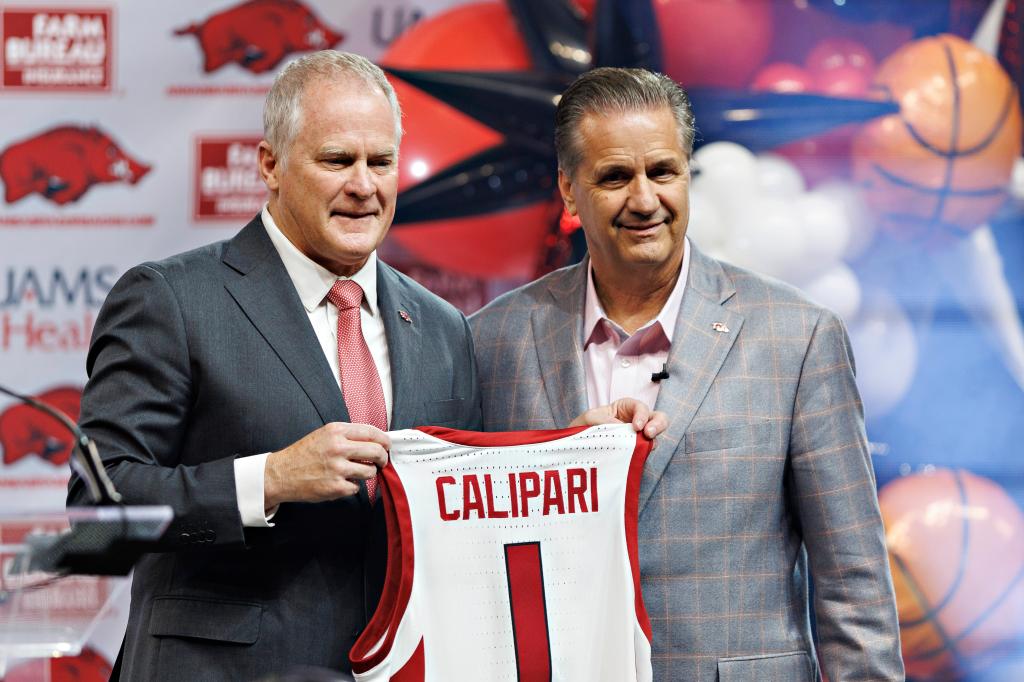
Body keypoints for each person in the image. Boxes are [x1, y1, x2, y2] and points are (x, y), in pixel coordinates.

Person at [67, 51, 661, 681]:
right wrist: (268, 479)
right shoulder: (172, 299)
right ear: (270, 164)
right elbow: (96, 511)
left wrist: (571, 452)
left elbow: (461, 504)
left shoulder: (441, 326)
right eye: (336, 161)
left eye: (380, 162)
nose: (363, 185)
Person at [470, 67, 904, 681]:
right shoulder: (493, 340)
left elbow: (854, 589)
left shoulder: (798, 337)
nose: (645, 200)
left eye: (663, 172)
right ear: (569, 193)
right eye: (615, 177)